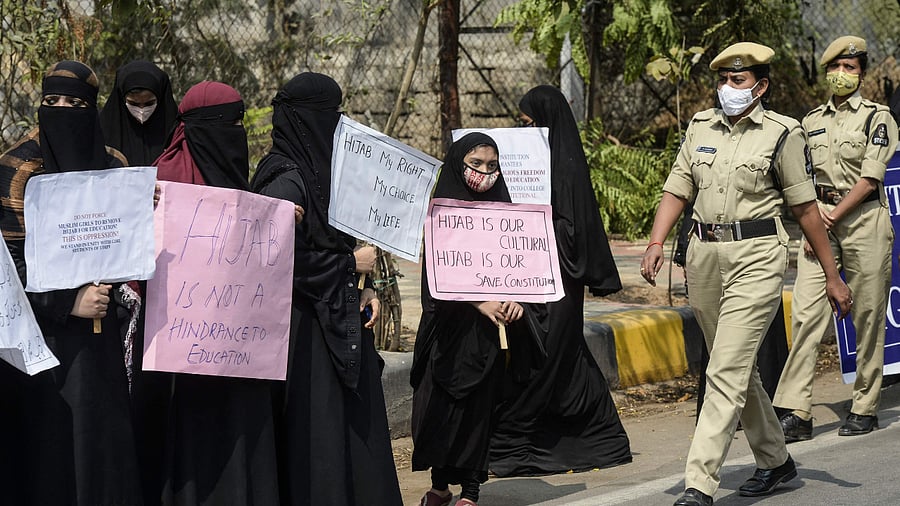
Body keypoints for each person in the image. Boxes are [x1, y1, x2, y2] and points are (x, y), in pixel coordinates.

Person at [640, 43, 853, 506]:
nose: (727, 89)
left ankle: (699, 483)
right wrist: (656, 241)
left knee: (724, 369)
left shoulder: (783, 134)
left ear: (761, 86)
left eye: (737, 81)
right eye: (722, 81)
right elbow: (678, 187)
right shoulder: (700, 126)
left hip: (757, 256)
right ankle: (776, 460)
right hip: (704, 255)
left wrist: (832, 275)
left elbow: (805, 209)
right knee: (733, 366)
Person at [250, 72, 401, 506]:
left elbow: (342, 238)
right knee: (316, 437)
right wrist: (348, 264)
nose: (336, 125)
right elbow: (276, 262)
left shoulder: (327, 172)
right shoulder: (285, 179)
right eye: (327, 115)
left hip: (339, 316)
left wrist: (366, 287)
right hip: (302, 333)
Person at [0, 60, 143, 505]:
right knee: (50, 452)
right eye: (52, 101)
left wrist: (145, 210)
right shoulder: (18, 167)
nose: (62, 110)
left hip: (102, 341)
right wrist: (67, 301)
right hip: (38, 343)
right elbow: (7, 267)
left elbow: (126, 244)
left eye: (75, 103)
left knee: (102, 452)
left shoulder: (114, 163)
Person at [489, 85, 631, 477]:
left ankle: (511, 443)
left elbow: (574, 230)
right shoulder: (525, 164)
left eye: (531, 124)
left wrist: (540, 224)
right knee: (548, 354)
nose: (526, 130)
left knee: (551, 353)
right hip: (527, 271)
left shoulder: (565, 165)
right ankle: (598, 437)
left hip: (560, 280)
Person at [151, 81, 280, 505]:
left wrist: (280, 221)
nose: (234, 133)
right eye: (225, 123)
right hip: (185, 346)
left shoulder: (233, 173)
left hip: (237, 343)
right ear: (197, 127)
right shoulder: (167, 180)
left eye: (238, 123)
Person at [773, 36, 899, 442]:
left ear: (861, 74)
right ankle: (798, 411)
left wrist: (827, 219)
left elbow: (869, 179)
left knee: (866, 314)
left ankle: (864, 405)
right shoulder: (809, 122)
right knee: (807, 313)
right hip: (820, 222)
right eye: (837, 68)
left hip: (863, 220)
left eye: (852, 68)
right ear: (827, 72)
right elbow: (802, 179)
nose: (843, 75)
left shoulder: (878, 118)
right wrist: (815, 222)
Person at [410, 132, 546, 506]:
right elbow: (436, 275)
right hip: (447, 330)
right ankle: (440, 486)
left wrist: (517, 300)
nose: (485, 173)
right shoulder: (441, 212)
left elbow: (517, 265)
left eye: (492, 166)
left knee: (477, 411)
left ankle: (470, 491)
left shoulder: (504, 210)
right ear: (458, 164)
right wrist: (477, 301)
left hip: (487, 337)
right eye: (476, 164)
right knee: (440, 409)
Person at [100, 60, 178, 166]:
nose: (141, 110)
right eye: (133, 103)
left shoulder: (176, 132)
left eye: (149, 103)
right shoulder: (103, 130)